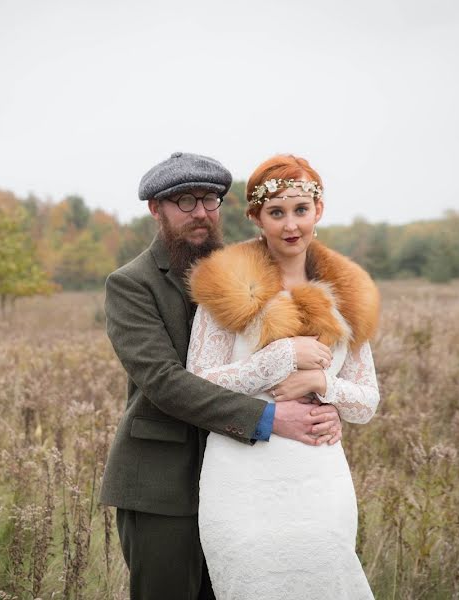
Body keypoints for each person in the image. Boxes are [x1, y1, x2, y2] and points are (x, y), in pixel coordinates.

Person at [100, 152, 344, 600]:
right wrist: (270, 419)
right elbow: (164, 383)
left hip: (244, 479)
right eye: (185, 202)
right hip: (164, 483)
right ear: (156, 209)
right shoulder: (131, 284)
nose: (201, 214)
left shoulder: (255, 271)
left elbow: (295, 360)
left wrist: (325, 402)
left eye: (210, 201)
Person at [186, 154, 381, 599]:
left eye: (300, 210)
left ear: (318, 212)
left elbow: (366, 402)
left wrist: (322, 385)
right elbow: (197, 384)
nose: (290, 225)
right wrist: (278, 356)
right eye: (276, 212)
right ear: (256, 217)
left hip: (317, 477)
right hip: (240, 479)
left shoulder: (349, 296)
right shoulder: (225, 287)